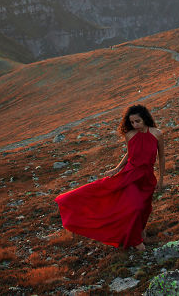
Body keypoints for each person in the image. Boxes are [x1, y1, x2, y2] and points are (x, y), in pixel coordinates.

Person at [55, 104, 165, 250]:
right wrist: (117, 168)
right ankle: (136, 242)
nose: (134, 125)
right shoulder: (130, 135)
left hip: (147, 178)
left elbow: (162, 157)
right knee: (135, 207)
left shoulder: (157, 134)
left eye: (137, 121)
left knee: (145, 208)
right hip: (130, 175)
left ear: (145, 118)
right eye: (132, 122)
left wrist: (162, 178)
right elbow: (129, 154)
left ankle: (140, 233)